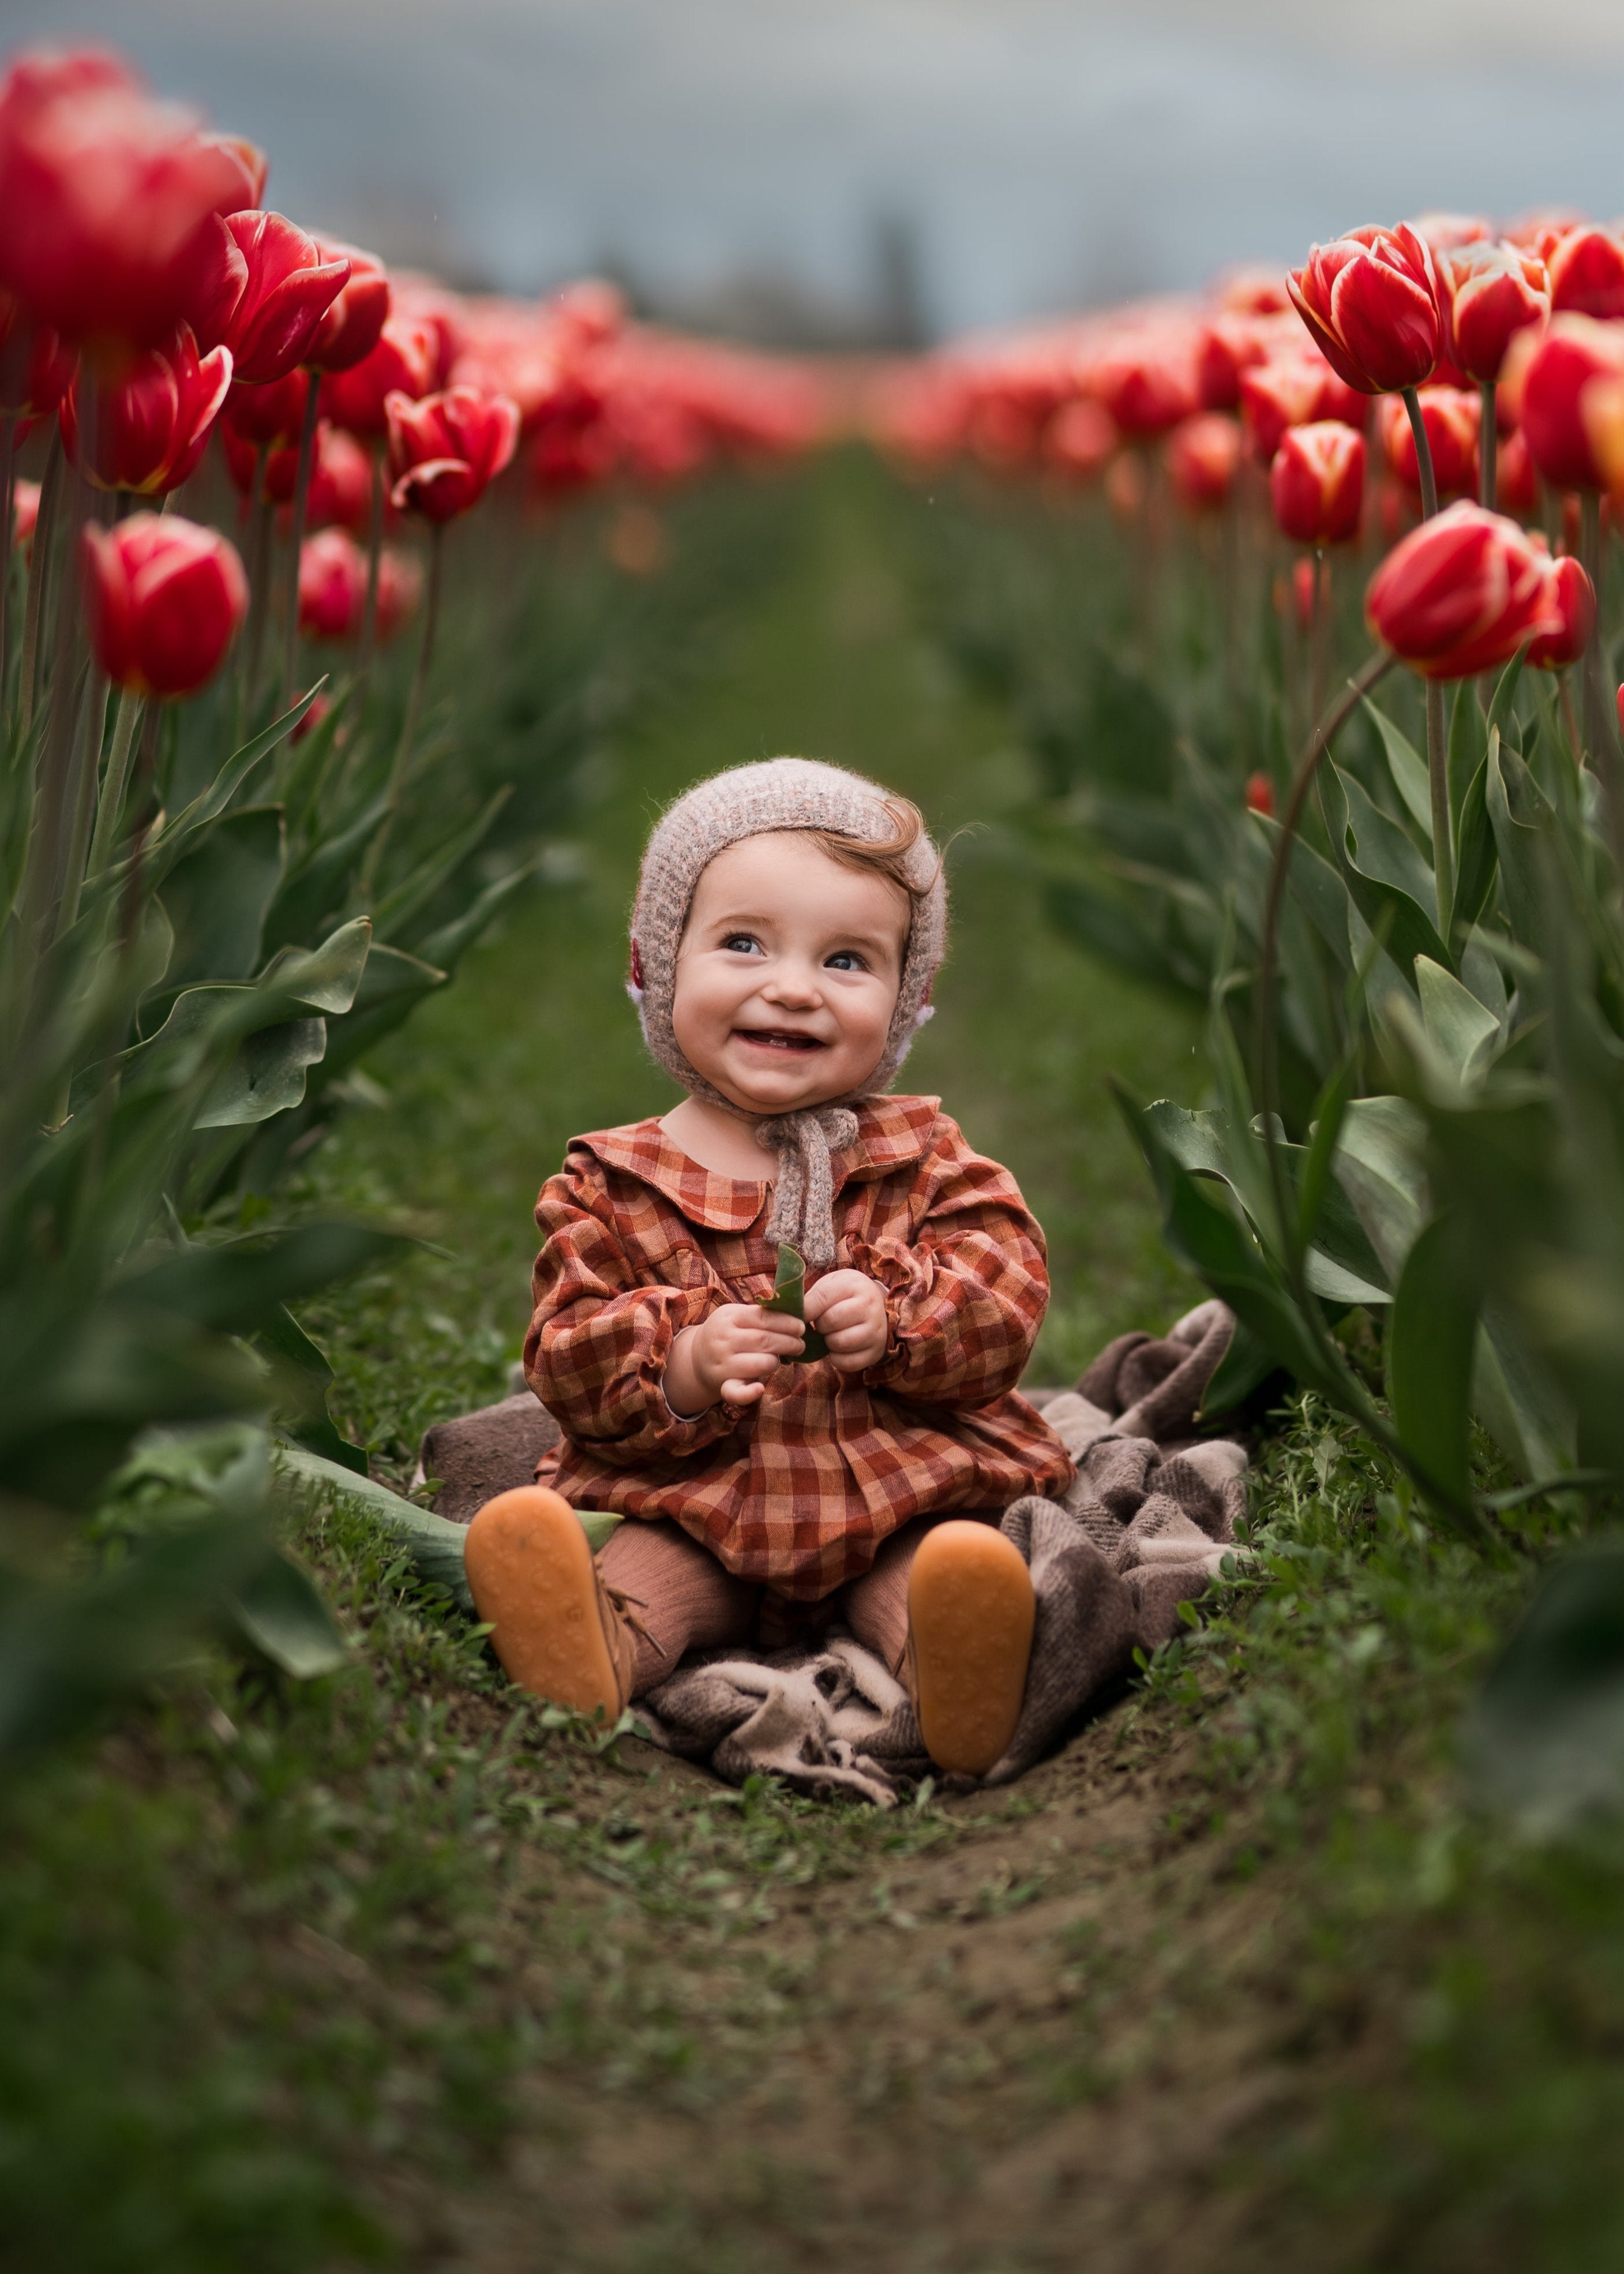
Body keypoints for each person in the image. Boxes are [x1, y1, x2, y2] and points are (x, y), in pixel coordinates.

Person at [464, 757, 1073, 1775]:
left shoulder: (925, 1157)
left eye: (847, 960)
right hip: (703, 1501)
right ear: (655, 964)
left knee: (929, 1569)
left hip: (891, 1494)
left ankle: (956, 1666)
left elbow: (1006, 1294)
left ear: (908, 999)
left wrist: (903, 1314)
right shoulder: (613, 1181)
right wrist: (682, 1363)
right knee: (653, 1571)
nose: (791, 987)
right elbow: (565, 1352)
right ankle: (592, 1645)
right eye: (743, 943)